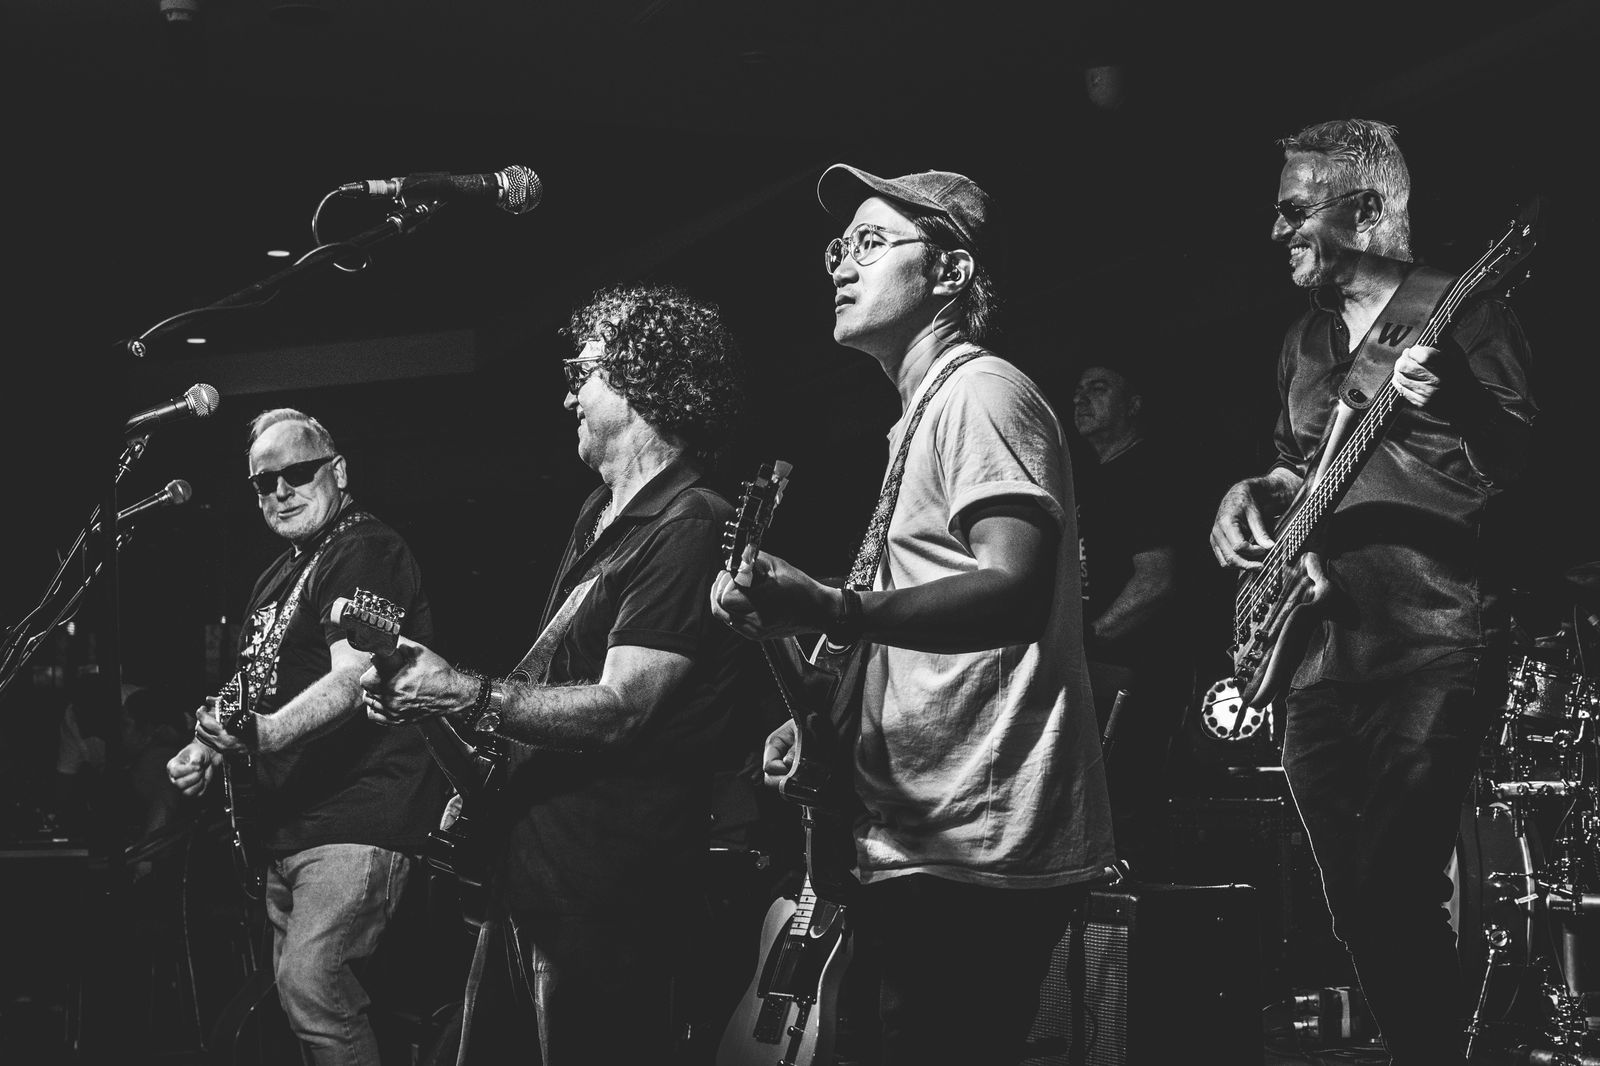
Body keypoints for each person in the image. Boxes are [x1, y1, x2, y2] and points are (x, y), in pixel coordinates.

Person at [710, 165, 1116, 1065]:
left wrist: (830, 605)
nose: (841, 266)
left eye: (870, 243)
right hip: (917, 835)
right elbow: (916, 617)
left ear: (950, 273)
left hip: (971, 843)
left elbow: (1012, 587)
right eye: (837, 249)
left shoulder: (981, 392)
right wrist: (824, 712)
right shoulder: (922, 415)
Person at [1208, 118, 1536, 1065]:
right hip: (1314, 648)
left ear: (1362, 211)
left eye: (1293, 210)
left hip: (1432, 632)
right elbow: (1295, 468)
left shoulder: (1461, 309)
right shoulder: (1304, 340)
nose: (1277, 232)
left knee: (1394, 881)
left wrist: (1459, 401)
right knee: (1354, 900)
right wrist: (1247, 493)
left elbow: (1522, 462)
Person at [361, 283, 749, 1065]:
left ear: (644, 380)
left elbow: (623, 707)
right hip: (531, 881)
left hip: (608, 899)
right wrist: (428, 703)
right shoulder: (597, 515)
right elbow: (541, 700)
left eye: (586, 372)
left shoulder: (691, 522)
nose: (570, 394)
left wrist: (461, 690)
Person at [165, 407, 445, 1066]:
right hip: (289, 825)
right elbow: (253, 680)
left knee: (311, 984)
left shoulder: (366, 548)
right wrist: (207, 745)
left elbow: (357, 673)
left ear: (338, 471)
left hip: (357, 816)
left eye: (298, 473)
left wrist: (265, 734)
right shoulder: (276, 578)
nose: (282, 491)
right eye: (265, 482)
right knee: (301, 1004)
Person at [1071, 359, 1191, 876]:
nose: (1080, 398)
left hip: (1136, 680)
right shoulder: (1094, 479)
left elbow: (1157, 579)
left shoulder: (1145, 473)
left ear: (1134, 404)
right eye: (1078, 389)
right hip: (1100, 676)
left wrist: (1089, 639)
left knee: (1127, 821)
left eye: (1098, 388)